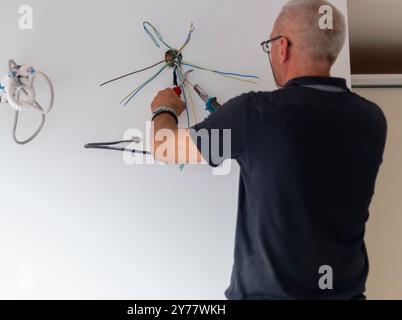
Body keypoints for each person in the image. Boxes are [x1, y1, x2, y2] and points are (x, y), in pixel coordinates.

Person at [150, 0, 387, 300]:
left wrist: (164, 109)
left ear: (282, 47)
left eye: (269, 44)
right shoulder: (372, 119)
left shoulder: (255, 114)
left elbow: (165, 147)